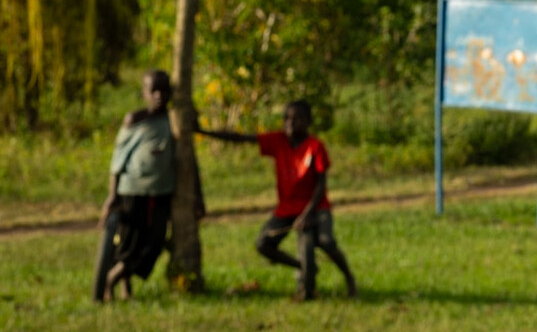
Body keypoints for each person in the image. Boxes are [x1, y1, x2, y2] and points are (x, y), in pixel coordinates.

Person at [199, 100, 357, 300]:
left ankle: (349, 277)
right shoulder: (278, 141)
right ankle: (303, 266)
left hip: (316, 206)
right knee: (263, 244)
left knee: (326, 241)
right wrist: (203, 132)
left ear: (308, 121)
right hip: (287, 208)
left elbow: (321, 184)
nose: (290, 123)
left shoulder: (315, 146)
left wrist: (308, 213)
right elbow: (241, 139)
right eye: (287, 118)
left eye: (297, 119)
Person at [95, 70, 180, 302]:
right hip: (132, 190)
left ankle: (113, 279)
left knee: (155, 241)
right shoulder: (136, 119)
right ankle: (115, 285)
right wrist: (113, 194)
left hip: (161, 191)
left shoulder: (174, 120)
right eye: (153, 91)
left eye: (164, 90)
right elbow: (118, 158)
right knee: (128, 241)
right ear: (144, 93)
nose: (159, 96)